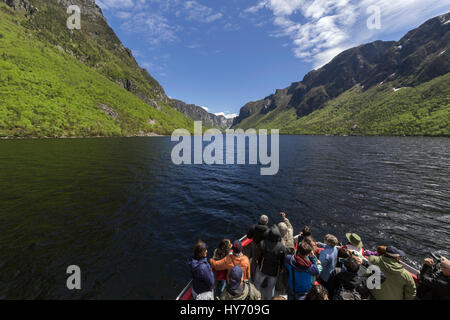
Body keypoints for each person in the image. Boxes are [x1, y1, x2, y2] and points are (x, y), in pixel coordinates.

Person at [254, 225, 287, 300]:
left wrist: (257, 261)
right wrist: (281, 268)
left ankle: (257, 298)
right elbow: (283, 260)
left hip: (262, 269)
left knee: (257, 284)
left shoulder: (262, 243)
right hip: (274, 272)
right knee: (271, 288)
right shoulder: (281, 247)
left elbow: (257, 255)